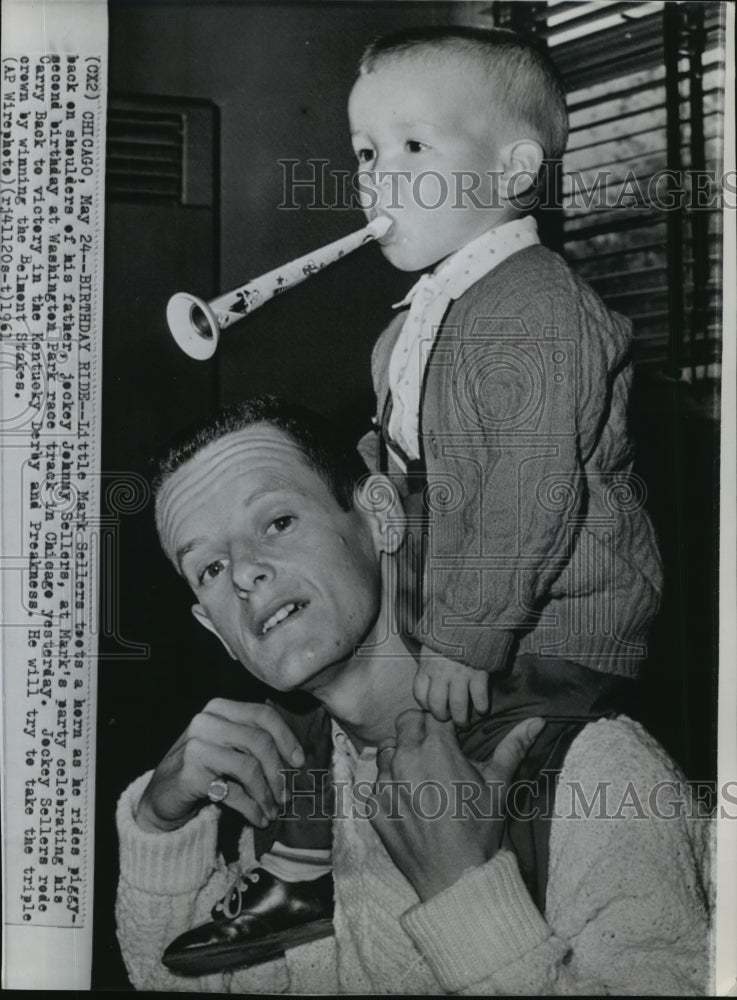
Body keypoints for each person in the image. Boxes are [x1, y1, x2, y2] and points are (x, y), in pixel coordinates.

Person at [115, 398, 710, 994]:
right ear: (214, 628)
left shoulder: (596, 770)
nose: (244, 572)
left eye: (278, 523)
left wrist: (465, 894)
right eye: (210, 569)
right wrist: (159, 826)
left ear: (379, 517)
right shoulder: (293, 798)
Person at [351, 24, 663, 720]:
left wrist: (465, 637)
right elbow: (412, 453)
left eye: (412, 145)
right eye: (365, 151)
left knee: (502, 788)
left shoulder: (537, 306)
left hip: (557, 628)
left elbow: (530, 489)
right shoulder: (413, 322)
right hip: (470, 609)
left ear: (514, 170)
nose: (377, 176)